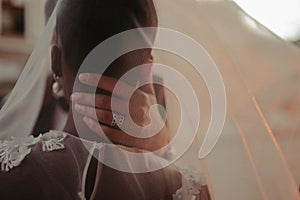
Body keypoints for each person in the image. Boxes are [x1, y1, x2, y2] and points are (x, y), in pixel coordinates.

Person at [0, 0, 208, 199]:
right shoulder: (193, 189)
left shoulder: (155, 99)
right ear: (145, 66)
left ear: (54, 57)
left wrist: (158, 142)